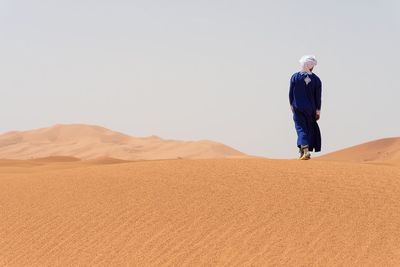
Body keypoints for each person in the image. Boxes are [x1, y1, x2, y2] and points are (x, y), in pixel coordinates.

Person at [289, 55, 322, 160]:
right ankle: (302, 152)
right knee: (307, 129)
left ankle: (305, 150)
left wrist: (291, 105)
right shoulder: (316, 80)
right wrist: (318, 111)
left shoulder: (295, 77)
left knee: (300, 128)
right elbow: (318, 97)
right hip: (311, 110)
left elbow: (290, 94)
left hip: (298, 108)